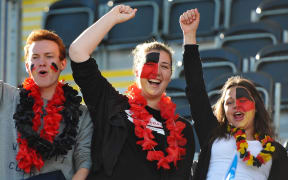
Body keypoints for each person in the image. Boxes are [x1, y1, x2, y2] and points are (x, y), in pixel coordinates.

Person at [69, 5, 210, 180]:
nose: (156, 72)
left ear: (170, 75)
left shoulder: (182, 130)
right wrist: (111, 17)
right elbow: (77, 52)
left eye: (164, 66)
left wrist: (189, 36)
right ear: (136, 71)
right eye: (149, 65)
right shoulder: (112, 105)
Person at [181, 9, 288, 180]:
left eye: (243, 100)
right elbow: (195, 89)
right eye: (229, 102)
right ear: (224, 110)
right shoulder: (213, 135)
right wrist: (189, 35)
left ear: (257, 107)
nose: (236, 105)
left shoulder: (276, 152)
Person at [0, 29, 92, 180]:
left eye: (49, 56)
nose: (42, 62)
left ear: (62, 64)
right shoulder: (6, 97)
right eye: (35, 57)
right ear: (27, 66)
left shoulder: (81, 114)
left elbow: (84, 159)